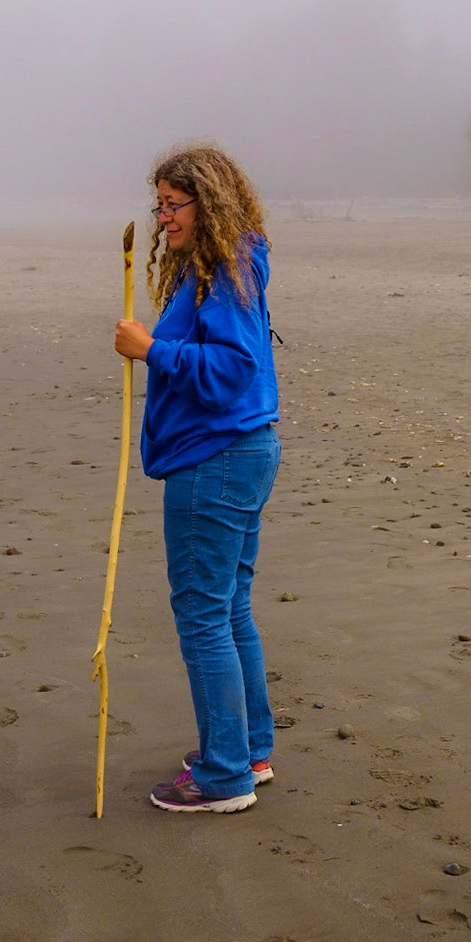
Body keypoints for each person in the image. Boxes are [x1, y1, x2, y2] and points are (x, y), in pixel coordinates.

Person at [114, 143, 281, 813]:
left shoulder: (229, 267)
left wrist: (151, 349)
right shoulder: (222, 264)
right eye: (157, 205)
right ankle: (250, 750)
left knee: (203, 614)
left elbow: (233, 369)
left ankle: (223, 776)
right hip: (238, 453)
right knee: (229, 605)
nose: (162, 218)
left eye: (172, 205)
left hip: (217, 458)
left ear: (206, 202)